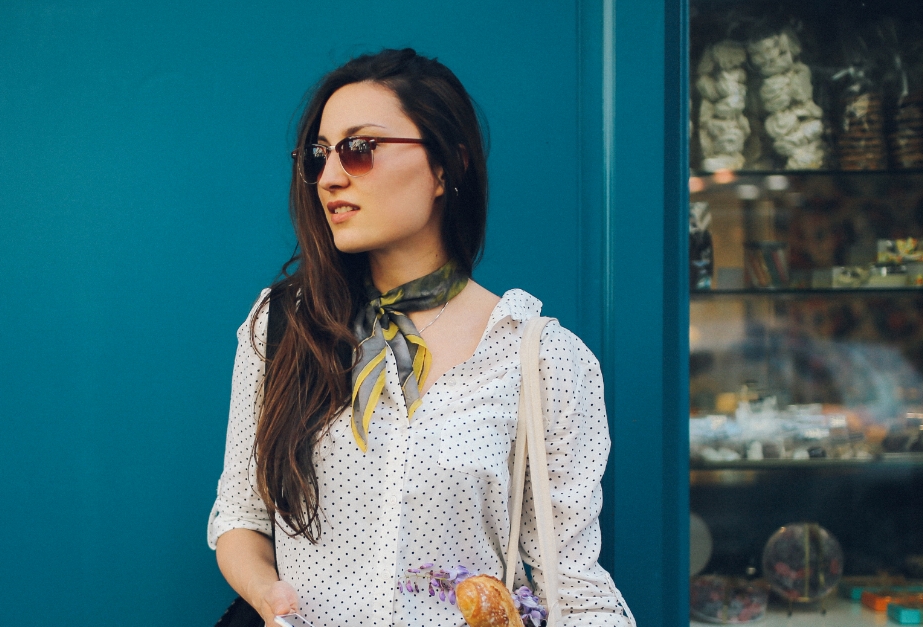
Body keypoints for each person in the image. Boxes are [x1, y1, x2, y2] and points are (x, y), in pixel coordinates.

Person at [207, 48, 634, 627]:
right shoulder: (284, 325)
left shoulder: (541, 359)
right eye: (319, 154)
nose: (330, 176)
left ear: (446, 167)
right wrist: (266, 595)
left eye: (359, 150)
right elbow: (240, 515)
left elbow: (573, 590)